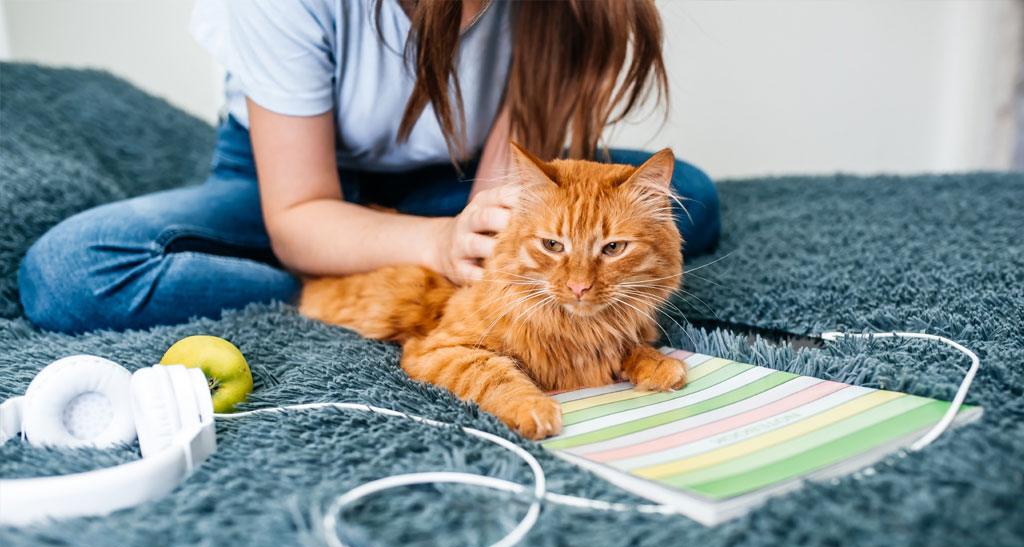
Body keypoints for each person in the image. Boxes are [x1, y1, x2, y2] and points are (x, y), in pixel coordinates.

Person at [18, 0, 720, 334]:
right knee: (69, 274)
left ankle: (388, 257)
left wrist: (482, 237)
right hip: (292, 188)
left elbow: (505, 200)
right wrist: (436, 244)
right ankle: (342, 288)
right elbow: (299, 213)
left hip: (444, 179)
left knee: (688, 198)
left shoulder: (562, 11)